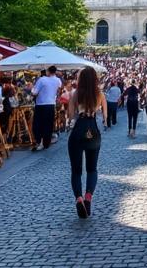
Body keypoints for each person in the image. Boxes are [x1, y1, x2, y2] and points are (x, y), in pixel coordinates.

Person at [67, 67, 106, 218]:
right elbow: (104, 116)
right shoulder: (99, 94)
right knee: (92, 169)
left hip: (78, 131)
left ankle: (79, 199)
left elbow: (70, 116)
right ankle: (88, 196)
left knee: (76, 171)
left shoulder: (76, 94)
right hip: (93, 131)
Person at [31, 65, 62, 151]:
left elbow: (34, 92)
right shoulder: (58, 80)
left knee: (38, 124)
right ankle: (46, 143)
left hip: (41, 105)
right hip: (51, 104)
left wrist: (31, 89)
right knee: (48, 124)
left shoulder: (42, 79)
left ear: (48, 71)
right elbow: (59, 90)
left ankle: (39, 142)